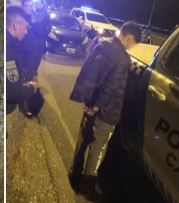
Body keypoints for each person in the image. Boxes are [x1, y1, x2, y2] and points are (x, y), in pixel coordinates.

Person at [68, 21, 142, 202]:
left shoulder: (101, 44)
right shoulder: (123, 58)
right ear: (129, 38)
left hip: (90, 105)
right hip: (106, 113)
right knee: (97, 149)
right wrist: (97, 106)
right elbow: (111, 87)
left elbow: (88, 73)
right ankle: (86, 188)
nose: (132, 47)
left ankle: (74, 172)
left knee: (83, 139)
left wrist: (87, 101)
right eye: (134, 43)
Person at [6, 6, 38, 115]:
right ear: (15, 26)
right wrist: (31, 88)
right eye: (25, 28)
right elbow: (12, 91)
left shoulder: (10, 43)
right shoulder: (9, 51)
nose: (26, 32)